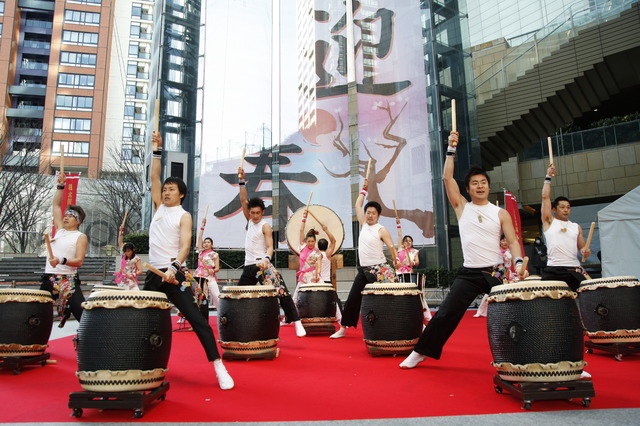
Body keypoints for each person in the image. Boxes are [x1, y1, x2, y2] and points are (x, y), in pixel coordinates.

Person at [400, 131, 527, 368]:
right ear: (467, 189)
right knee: (447, 313)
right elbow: (448, 179)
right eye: (474, 183)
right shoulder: (462, 207)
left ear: (489, 187)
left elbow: (513, 242)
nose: (480, 186)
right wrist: (450, 149)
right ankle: (421, 351)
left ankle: (536, 354)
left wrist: (518, 263)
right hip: (469, 272)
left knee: (517, 312)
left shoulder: (500, 213)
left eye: (483, 183)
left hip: (495, 272)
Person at [144, 131, 233, 390]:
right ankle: (144, 364)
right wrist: (157, 150)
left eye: (171, 189)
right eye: (164, 190)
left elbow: (184, 246)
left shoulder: (183, 216)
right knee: (143, 319)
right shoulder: (159, 207)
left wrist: (174, 267)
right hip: (153, 275)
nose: (166, 192)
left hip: (175, 275)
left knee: (197, 320)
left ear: (181, 194)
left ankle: (218, 366)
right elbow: (154, 176)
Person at [238, 167, 306, 337]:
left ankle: (297, 322)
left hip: (263, 265)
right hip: (249, 266)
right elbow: (243, 199)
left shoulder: (265, 225)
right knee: (238, 296)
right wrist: (241, 180)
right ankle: (239, 328)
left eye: (257, 213)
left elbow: (270, 246)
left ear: (262, 213)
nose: (254, 216)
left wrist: (267, 259)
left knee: (281, 291)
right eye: (252, 213)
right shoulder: (249, 221)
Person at [330, 178, 400, 339]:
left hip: (379, 269)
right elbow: (357, 205)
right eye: (368, 212)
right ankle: (343, 328)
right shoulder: (363, 225)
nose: (369, 215)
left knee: (392, 298)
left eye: (373, 213)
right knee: (353, 299)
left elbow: (391, 246)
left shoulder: (380, 229)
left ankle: (411, 321)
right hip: (363, 270)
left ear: (378, 215)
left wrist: (395, 260)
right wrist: (364, 189)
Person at [40, 173, 88, 328]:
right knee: (38, 312)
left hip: (68, 280)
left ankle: (95, 342)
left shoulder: (80, 237)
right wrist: (60, 186)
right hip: (50, 278)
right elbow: (55, 206)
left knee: (82, 314)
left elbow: (79, 261)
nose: (66, 217)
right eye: (66, 215)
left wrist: (60, 260)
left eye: (71, 216)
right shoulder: (59, 231)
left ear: (78, 221)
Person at [540, 164, 591, 291]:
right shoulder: (549, 222)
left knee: (589, 292)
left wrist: (586, 251)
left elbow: (582, 248)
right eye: (562, 207)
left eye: (568, 207)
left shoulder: (576, 227)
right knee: (547, 299)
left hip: (574, 268)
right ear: (554, 209)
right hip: (554, 268)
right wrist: (548, 177)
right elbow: (545, 197)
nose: (566, 210)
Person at [396, 219, 432, 322]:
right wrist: (398, 225)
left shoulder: (414, 252)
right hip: (400, 274)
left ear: (412, 243)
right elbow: (399, 235)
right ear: (403, 242)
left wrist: (413, 263)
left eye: (410, 241)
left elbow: (417, 262)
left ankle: (425, 315)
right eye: (406, 240)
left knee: (416, 293)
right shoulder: (400, 250)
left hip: (409, 273)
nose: (408, 242)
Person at [473, 234, 516, 318]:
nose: (505, 242)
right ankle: (481, 311)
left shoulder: (510, 251)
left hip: (507, 273)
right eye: (503, 240)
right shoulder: (496, 250)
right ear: (499, 241)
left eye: (506, 240)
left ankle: (509, 311)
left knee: (510, 292)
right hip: (497, 272)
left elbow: (511, 263)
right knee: (490, 292)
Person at [193, 217, 221, 320]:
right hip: (200, 277)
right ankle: (201, 319)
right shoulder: (200, 252)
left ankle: (222, 317)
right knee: (200, 298)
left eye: (208, 242)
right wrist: (202, 226)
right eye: (205, 242)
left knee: (217, 297)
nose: (205, 243)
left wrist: (212, 270)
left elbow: (217, 268)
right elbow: (199, 237)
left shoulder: (214, 254)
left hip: (210, 277)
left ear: (212, 244)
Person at [114, 225, 142, 291]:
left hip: (131, 279)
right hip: (122, 279)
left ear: (133, 250)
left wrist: (133, 274)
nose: (127, 253)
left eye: (129, 251)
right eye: (126, 251)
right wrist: (121, 232)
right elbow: (120, 242)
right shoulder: (124, 255)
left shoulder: (136, 259)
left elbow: (140, 270)